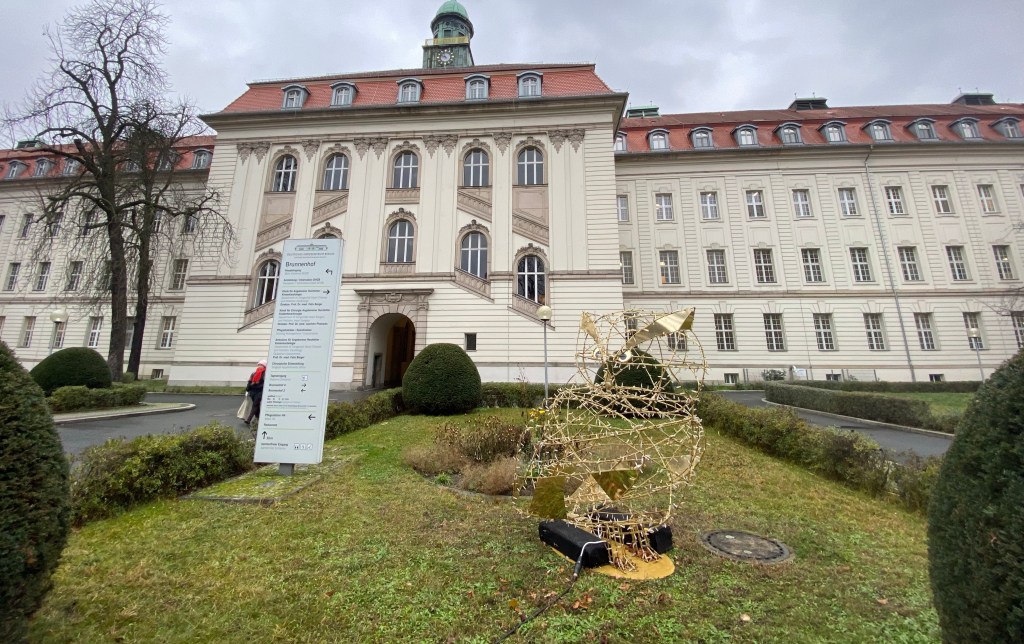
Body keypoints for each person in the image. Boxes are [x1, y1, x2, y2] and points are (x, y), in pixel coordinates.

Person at [244, 359, 267, 424]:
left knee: (255, 405)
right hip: (253, 391)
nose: (259, 366)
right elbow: (249, 381)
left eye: (261, 365)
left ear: (264, 366)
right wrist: (247, 389)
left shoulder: (266, 374)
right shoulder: (254, 373)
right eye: (259, 365)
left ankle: (248, 419)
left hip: (260, 391)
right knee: (256, 406)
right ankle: (259, 419)